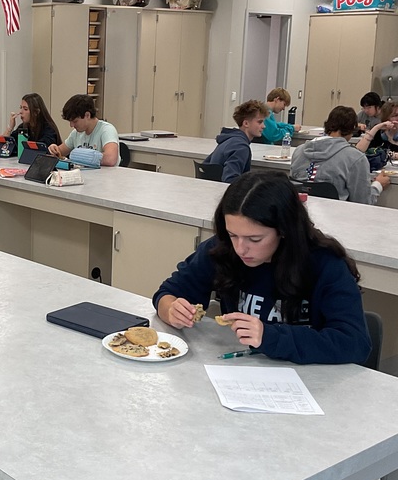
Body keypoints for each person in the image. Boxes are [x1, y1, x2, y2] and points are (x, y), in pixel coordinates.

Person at [152, 171, 371, 366]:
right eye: (232, 235)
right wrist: (171, 309)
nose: (240, 248)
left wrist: (269, 336)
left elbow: (354, 343)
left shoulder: (324, 263)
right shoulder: (222, 250)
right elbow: (167, 294)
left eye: (254, 239)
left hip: (312, 384)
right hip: (240, 373)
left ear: (284, 230)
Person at [290, 105, 389, 204]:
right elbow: (363, 202)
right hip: (335, 216)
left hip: (299, 215)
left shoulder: (299, 151)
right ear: (351, 131)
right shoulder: (356, 158)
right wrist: (378, 185)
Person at [200, 99, 268, 182]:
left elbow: (206, 166)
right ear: (246, 123)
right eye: (260, 122)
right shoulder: (241, 147)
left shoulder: (228, 140)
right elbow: (230, 179)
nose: (263, 126)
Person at [47, 93, 120, 167]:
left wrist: (82, 157)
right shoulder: (76, 133)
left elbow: (111, 159)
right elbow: (60, 151)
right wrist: (54, 149)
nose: (71, 125)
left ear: (87, 115)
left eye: (75, 121)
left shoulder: (107, 130)